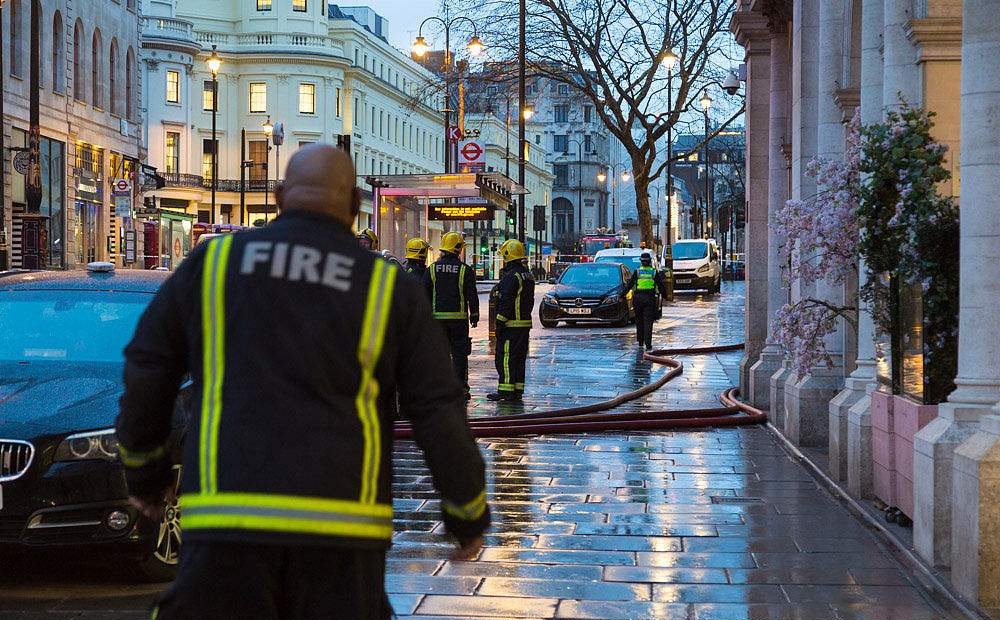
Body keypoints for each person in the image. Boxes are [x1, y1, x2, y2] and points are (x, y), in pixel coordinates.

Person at [116, 144, 490, 620]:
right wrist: (466, 510)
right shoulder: (385, 287)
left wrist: (145, 473)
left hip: (227, 518)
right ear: (356, 206)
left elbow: (149, 365)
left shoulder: (212, 266)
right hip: (343, 529)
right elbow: (437, 406)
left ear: (277, 197)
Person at [424, 231, 479, 399]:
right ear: (458, 249)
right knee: (459, 355)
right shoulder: (465, 270)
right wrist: (474, 316)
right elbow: (472, 295)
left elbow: (424, 293)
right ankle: (459, 388)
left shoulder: (432, 269)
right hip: (458, 321)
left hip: (437, 321)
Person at [487, 239, 534, 402]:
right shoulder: (527, 275)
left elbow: (506, 301)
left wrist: (499, 323)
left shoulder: (511, 276)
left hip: (510, 325)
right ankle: (517, 390)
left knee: (506, 358)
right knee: (519, 359)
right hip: (524, 325)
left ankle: (506, 391)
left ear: (508, 256)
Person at [626, 251, 669, 350]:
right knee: (648, 321)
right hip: (650, 298)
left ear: (641, 262)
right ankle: (648, 343)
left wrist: (622, 295)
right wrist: (665, 296)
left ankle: (641, 341)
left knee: (639, 320)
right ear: (649, 261)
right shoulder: (653, 272)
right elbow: (660, 285)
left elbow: (630, 285)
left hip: (638, 299)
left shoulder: (637, 271)